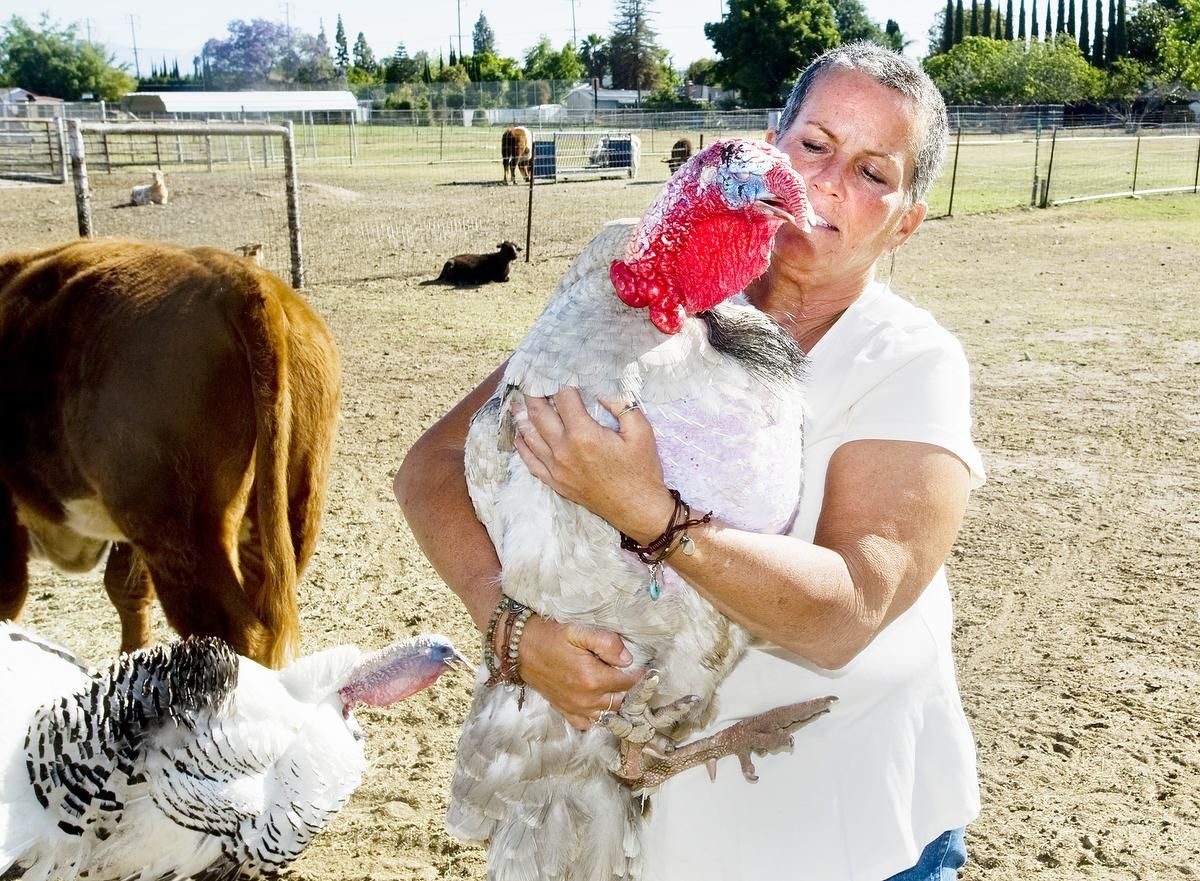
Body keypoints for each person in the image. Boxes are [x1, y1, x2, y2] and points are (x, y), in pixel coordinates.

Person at [396, 42, 985, 881]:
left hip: (854, 834)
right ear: (770, 147)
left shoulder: (910, 360)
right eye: (814, 145)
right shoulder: (654, 300)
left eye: (872, 172)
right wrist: (514, 631)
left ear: (907, 221)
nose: (826, 183)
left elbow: (850, 606)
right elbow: (436, 462)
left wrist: (650, 514)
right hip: (664, 842)